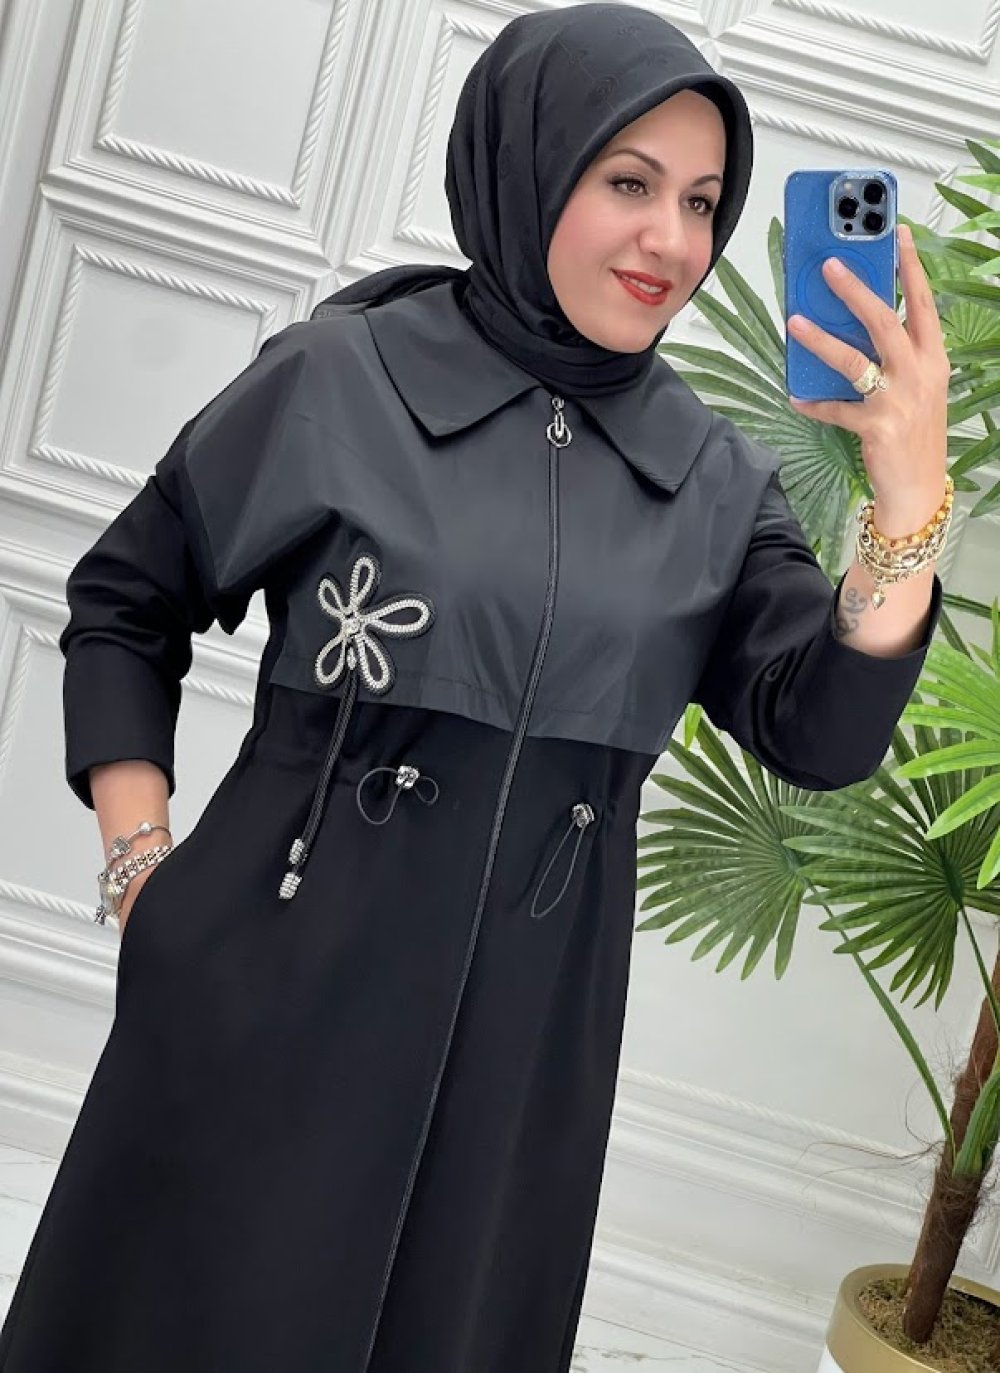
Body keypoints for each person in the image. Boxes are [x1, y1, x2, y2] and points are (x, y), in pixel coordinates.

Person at [0, 4, 950, 1370]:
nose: (670, 241)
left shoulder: (711, 480)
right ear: (529, 162)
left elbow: (820, 730)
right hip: (266, 995)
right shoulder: (343, 378)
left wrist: (907, 511)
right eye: (628, 182)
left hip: (517, 1070)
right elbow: (126, 602)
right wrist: (141, 866)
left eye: (701, 202)